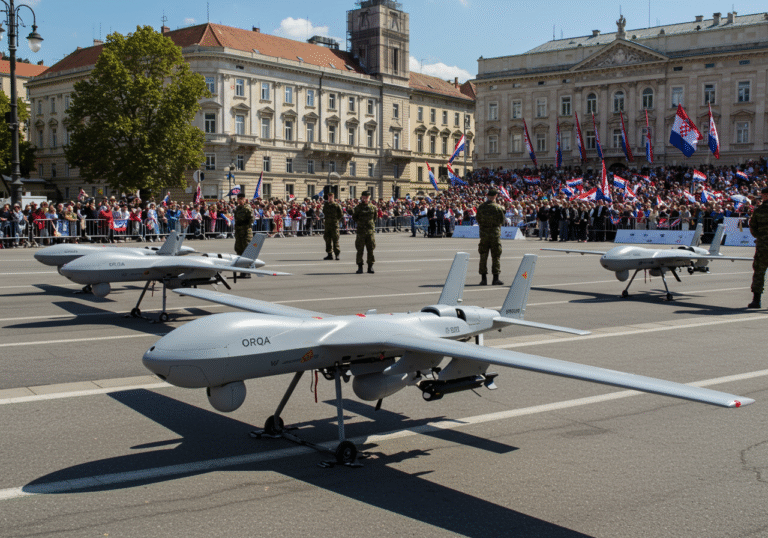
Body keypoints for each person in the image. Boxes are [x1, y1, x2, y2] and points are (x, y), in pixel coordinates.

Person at [476, 188, 505, 285]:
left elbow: (478, 220)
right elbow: (502, 221)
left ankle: (483, 279)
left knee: (483, 256)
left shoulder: (481, 207)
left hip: (484, 234)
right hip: (495, 234)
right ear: (495, 196)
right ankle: (495, 279)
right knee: (496, 256)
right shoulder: (498, 208)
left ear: (487, 196)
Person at [747, 187, 768, 308]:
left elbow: (753, 228)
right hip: (762, 245)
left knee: (759, 272)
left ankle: (756, 300)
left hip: (763, 246)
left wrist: (761, 237)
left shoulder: (759, 211)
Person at [352, 191, 376, 273]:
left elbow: (374, 218)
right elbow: (354, 217)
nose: (366, 198)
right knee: (360, 250)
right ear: (362, 197)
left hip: (370, 232)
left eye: (367, 197)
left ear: (369, 197)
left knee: (371, 250)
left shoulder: (373, 207)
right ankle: (360, 267)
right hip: (361, 232)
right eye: (364, 197)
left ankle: (370, 267)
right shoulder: (358, 208)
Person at [322, 192, 343, 260]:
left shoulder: (337, 205)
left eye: (331, 197)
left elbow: (340, 214)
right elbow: (324, 212)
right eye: (329, 197)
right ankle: (329, 254)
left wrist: (335, 220)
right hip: (327, 225)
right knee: (327, 240)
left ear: (333, 197)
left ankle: (337, 254)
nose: (330, 198)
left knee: (335, 240)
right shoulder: (326, 205)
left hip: (334, 225)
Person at [233, 192, 254, 256]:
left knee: (247, 247)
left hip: (246, 231)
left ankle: (249, 263)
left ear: (245, 199)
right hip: (239, 231)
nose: (240, 200)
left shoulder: (247, 208)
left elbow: (252, 219)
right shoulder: (237, 209)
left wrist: (246, 223)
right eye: (239, 199)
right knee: (238, 248)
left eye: (242, 199)